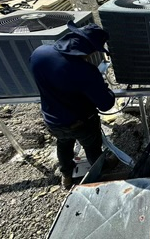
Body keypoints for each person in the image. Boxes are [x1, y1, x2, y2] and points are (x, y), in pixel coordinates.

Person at [29, 21, 116, 189]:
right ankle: (100, 171)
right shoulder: (85, 71)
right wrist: (104, 87)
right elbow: (106, 104)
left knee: (63, 144)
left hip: (52, 120)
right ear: (88, 49)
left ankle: (66, 176)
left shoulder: (39, 53)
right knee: (92, 148)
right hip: (81, 123)